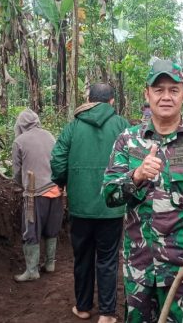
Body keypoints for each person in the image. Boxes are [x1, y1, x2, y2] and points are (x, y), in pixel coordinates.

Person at [101, 59, 183, 322]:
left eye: (174, 90)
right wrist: (136, 176)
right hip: (140, 272)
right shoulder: (128, 140)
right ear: (147, 94)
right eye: (159, 90)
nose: (166, 96)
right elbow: (109, 196)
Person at [51, 83, 130, 323]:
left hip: (81, 207)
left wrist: (62, 182)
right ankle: (107, 313)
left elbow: (58, 158)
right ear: (112, 101)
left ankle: (83, 307)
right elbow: (136, 157)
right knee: (107, 259)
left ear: (89, 99)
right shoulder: (122, 125)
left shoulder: (73, 126)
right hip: (112, 207)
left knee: (83, 257)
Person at [12, 108, 63, 282]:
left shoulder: (19, 141)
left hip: (35, 193)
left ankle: (32, 270)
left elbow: (17, 172)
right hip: (56, 191)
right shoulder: (49, 135)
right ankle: (50, 263)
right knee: (51, 228)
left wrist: (21, 184)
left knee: (31, 231)